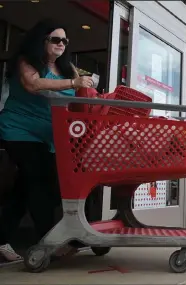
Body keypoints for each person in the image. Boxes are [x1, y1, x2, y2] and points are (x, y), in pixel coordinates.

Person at [0, 18, 94, 261]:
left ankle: (0, 239)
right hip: (18, 130)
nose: (61, 44)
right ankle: (48, 241)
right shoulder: (26, 62)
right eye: (55, 39)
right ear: (41, 40)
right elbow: (33, 84)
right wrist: (75, 82)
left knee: (33, 187)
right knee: (38, 182)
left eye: (64, 40)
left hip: (49, 136)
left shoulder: (67, 68)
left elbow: (82, 94)